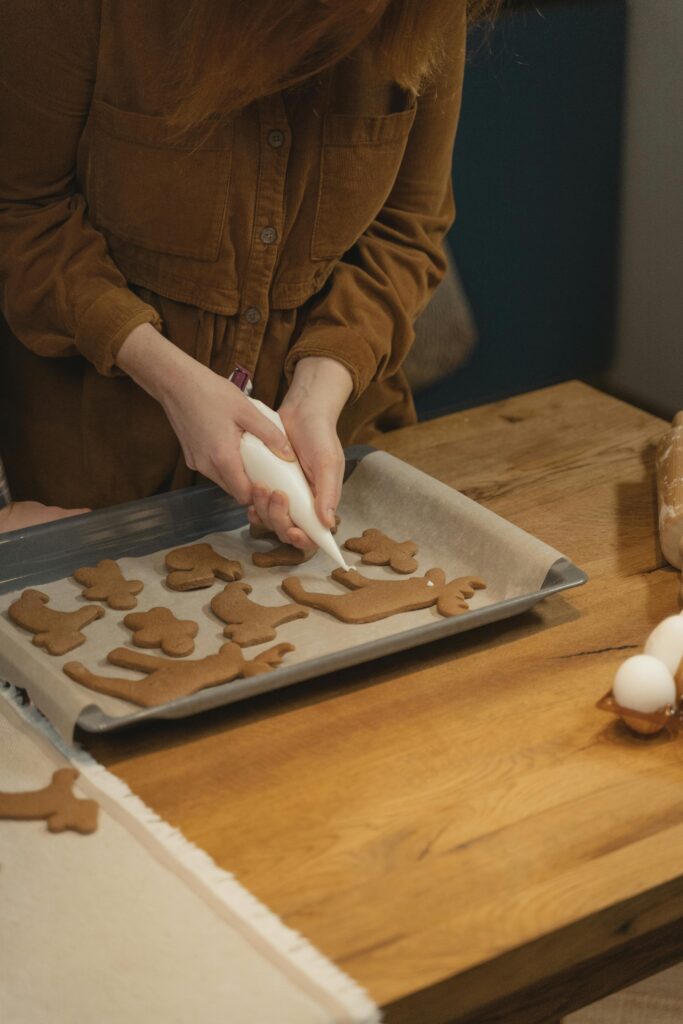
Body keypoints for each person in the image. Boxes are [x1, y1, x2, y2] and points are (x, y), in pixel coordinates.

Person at [0, 0, 493, 543]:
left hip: (338, 458)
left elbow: (408, 226)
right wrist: (164, 373)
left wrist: (320, 389)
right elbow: (23, 212)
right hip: (98, 475)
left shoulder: (424, 12)